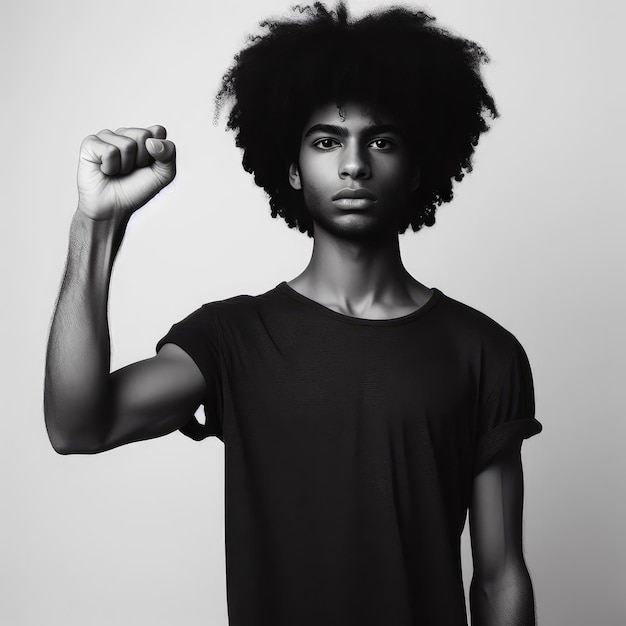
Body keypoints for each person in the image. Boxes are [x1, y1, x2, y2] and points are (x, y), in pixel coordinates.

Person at [44, 3, 543, 625]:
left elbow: (499, 579)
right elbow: (76, 428)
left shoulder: (483, 351)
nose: (354, 163)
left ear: (417, 168)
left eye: (380, 140)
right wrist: (97, 224)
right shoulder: (233, 339)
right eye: (327, 141)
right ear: (291, 167)